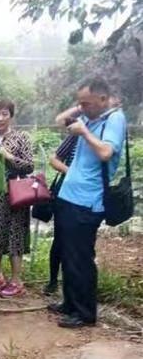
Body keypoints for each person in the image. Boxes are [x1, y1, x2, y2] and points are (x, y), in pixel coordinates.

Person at [49, 77, 127, 328]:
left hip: (87, 201)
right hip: (69, 198)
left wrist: (84, 131)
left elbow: (106, 152)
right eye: (80, 103)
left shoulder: (114, 119)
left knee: (81, 257)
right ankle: (70, 303)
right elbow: (59, 121)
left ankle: (85, 312)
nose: (83, 108)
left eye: (88, 103)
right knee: (68, 255)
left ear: (104, 100)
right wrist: (80, 107)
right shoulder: (91, 118)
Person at [0, 99, 34, 298]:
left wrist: (8, 156)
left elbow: (29, 166)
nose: (0, 118)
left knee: (14, 236)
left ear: (11, 116)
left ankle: (17, 280)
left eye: (4, 114)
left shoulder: (21, 137)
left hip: (14, 194)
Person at [43, 134, 78, 295]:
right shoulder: (76, 135)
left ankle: (72, 284)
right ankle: (53, 281)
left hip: (88, 196)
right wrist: (73, 174)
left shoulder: (103, 137)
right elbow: (54, 159)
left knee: (78, 243)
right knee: (60, 238)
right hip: (64, 192)